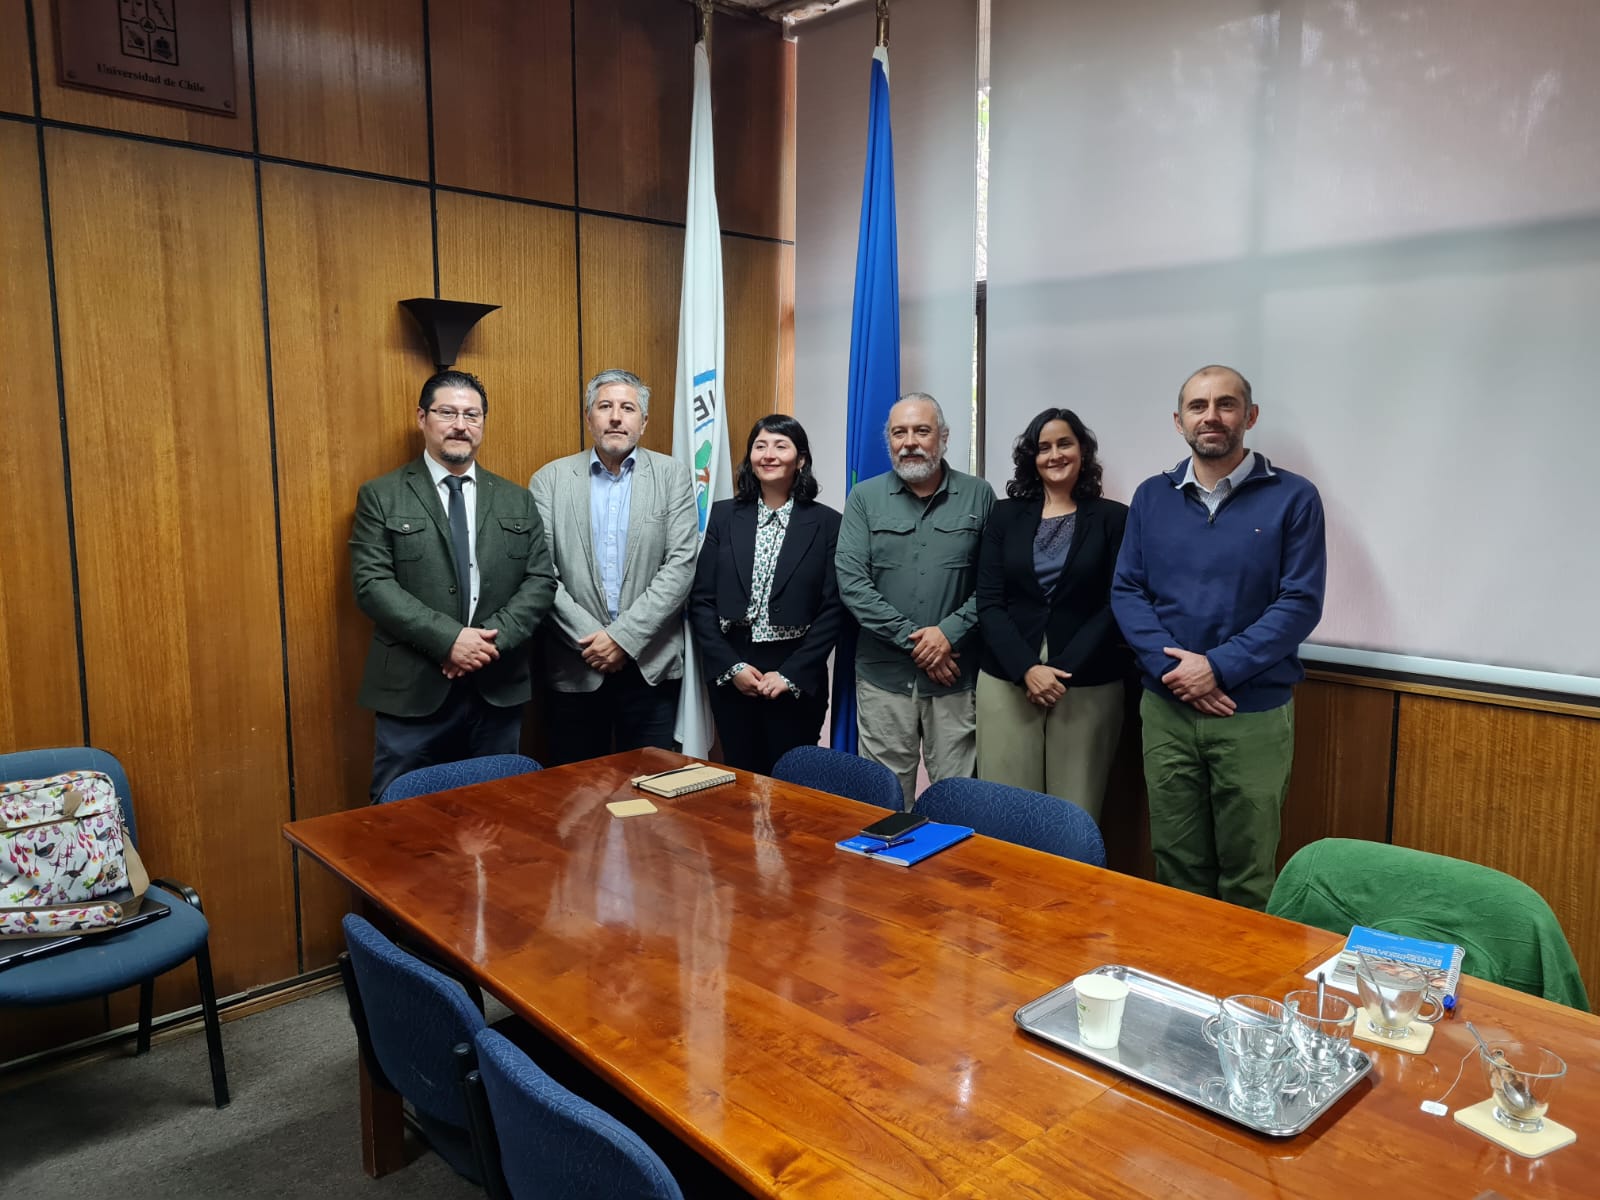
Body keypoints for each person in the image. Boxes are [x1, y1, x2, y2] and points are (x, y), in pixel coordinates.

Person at [1111, 365, 1326, 909]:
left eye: (1226, 404)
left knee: (1248, 872)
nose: (1211, 416)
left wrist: (1219, 667)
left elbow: (1299, 603)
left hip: (1251, 713)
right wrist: (1176, 673)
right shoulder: (1151, 496)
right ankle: (1182, 989)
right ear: (1178, 421)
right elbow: (1128, 592)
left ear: (1249, 416)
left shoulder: (1294, 498)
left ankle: (1240, 995)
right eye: (1198, 406)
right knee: (1176, 864)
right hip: (1166, 709)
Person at [351, 370, 557, 802]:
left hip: (496, 688)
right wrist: (450, 641)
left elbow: (540, 581)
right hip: (413, 691)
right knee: (399, 825)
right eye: (448, 412)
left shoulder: (516, 499)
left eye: (472, 415)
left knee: (498, 818)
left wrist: (484, 645)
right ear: (422, 418)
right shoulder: (382, 495)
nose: (461, 424)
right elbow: (372, 584)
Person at [529, 369, 698, 765]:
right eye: (605, 407)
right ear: (590, 419)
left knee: (651, 796)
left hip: (650, 667)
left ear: (644, 421)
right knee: (573, 801)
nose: (616, 417)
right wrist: (594, 640)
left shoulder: (673, 476)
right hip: (575, 666)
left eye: (627, 408)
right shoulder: (549, 481)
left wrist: (622, 639)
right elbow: (541, 573)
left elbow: (681, 565)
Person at [836, 392, 996, 808]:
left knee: (958, 802)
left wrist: (947, 635)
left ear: (943, 437)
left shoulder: (979, 496)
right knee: (884, 804)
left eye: (921, 431)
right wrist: (922, 644)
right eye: (899, 432)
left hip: (955, 678)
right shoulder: (864, 499)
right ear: (888, 440)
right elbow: (853, 584)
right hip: (884, 679)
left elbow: (995, 584)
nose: (910, 442)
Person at [975, 408, 1129, 822]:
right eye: (1043, 447)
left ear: (1083, 451)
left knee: (1074, 814)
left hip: (1086, 683)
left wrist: (1060, 669)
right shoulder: (1005, 515)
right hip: (1007, 679)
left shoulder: (1115, 518)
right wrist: (1027, 668)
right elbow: (989, 601)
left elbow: (1117, 602)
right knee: (1007, 815)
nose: (1054, 454)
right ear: (1032, 457)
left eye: (1065, 443)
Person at [687, 415, 844, 775]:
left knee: (791, 783)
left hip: (796, 672)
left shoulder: (827, 524)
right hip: (733, 670)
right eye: (760, 446)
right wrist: (731, 667)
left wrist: (790, 675)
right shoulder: (723, 516)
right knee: (739, 779)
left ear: (800, 459)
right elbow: (702, 600)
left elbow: (832, 609)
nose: (768, 454)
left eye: (780, 445)